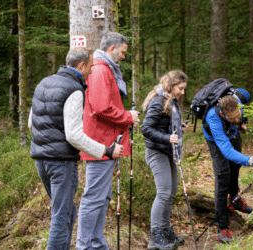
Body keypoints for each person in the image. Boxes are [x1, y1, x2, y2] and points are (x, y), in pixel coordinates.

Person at [29, 47, 124, 250]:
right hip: (61, 163)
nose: (92, 71)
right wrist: (105, 151)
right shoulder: (73, 89)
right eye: (90, 66)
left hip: (40, 161)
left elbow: (31, 123)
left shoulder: (44, 83)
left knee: (67, 212)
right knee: (61, 218)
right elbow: (74, 136)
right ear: (81, 65)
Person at [76, 32, 139, 250]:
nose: (123, 57)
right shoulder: (101, 70)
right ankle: (85, 245)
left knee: (102, 197)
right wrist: (128, 117)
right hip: (99, 143)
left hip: (107, 143)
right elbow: (101, 107)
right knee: (94, 197)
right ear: (112, 49)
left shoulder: (105, 69)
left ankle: (96, 243)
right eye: (122, 52)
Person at [202, 90, 253, 243]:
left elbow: (243, 102)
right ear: (223, 114)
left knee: (236, 166)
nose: (237, 117)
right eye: (233, 117)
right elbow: (227, 151)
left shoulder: (237, 101)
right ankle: (222, 228)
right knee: (223, 177)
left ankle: (235, 199)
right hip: (218, 141)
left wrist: (240, 123)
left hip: (233, 132)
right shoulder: (213, 118)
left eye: (238, 114)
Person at [141, 71, 189, 250]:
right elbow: (146, 128)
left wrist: (178, 129)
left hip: (169, 151)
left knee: (171, 191)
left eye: (184, 89)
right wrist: (168, 137)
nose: (182, 92)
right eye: (180, 88)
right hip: (156, 152)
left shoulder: (171, 101)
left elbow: (165, 124)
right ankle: (156, 235)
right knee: (163, 192)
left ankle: (165, 229)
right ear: (171, 86)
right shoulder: (158, 102)